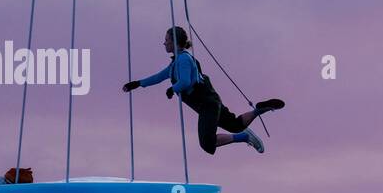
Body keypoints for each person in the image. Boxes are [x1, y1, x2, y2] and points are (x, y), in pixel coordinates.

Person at [122, 26, 284, 155]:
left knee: (207, 143)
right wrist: (137, 83)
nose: (164, 43)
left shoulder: (183, 59)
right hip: (211, 101)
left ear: (174, 42)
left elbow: (186, 81)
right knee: (234, 124)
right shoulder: (176, 63)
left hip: (207, 105)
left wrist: (173, 89)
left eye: (166, 40)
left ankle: (245, 137)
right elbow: (158, 77)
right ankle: (259, 109)